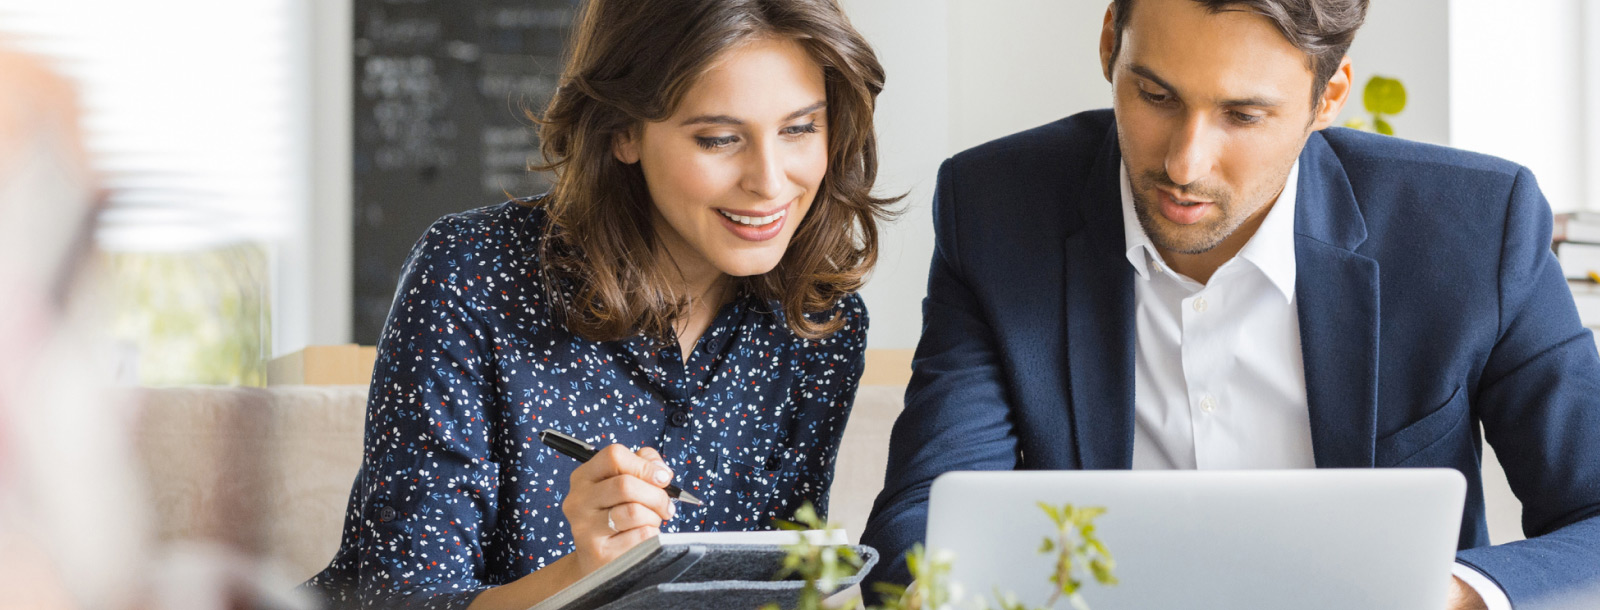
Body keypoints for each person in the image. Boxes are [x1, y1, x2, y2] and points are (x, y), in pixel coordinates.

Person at [860, 0, 1600, 608]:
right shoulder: (996, 209)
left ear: (1328, 98)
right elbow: (924, 517)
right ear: (1110, 42)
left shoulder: (1474, 229)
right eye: (1155, 96)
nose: (1185, 162)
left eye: (1243, 115)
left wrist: (1449, 595)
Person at [303, 0, 895, 607]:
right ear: (623, 132)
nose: (770, 182)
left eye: (799, 129)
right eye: (718, 139)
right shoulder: (469, 275)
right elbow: (393, 597)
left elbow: (778, 589)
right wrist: (586, 572)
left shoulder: (822, 325)